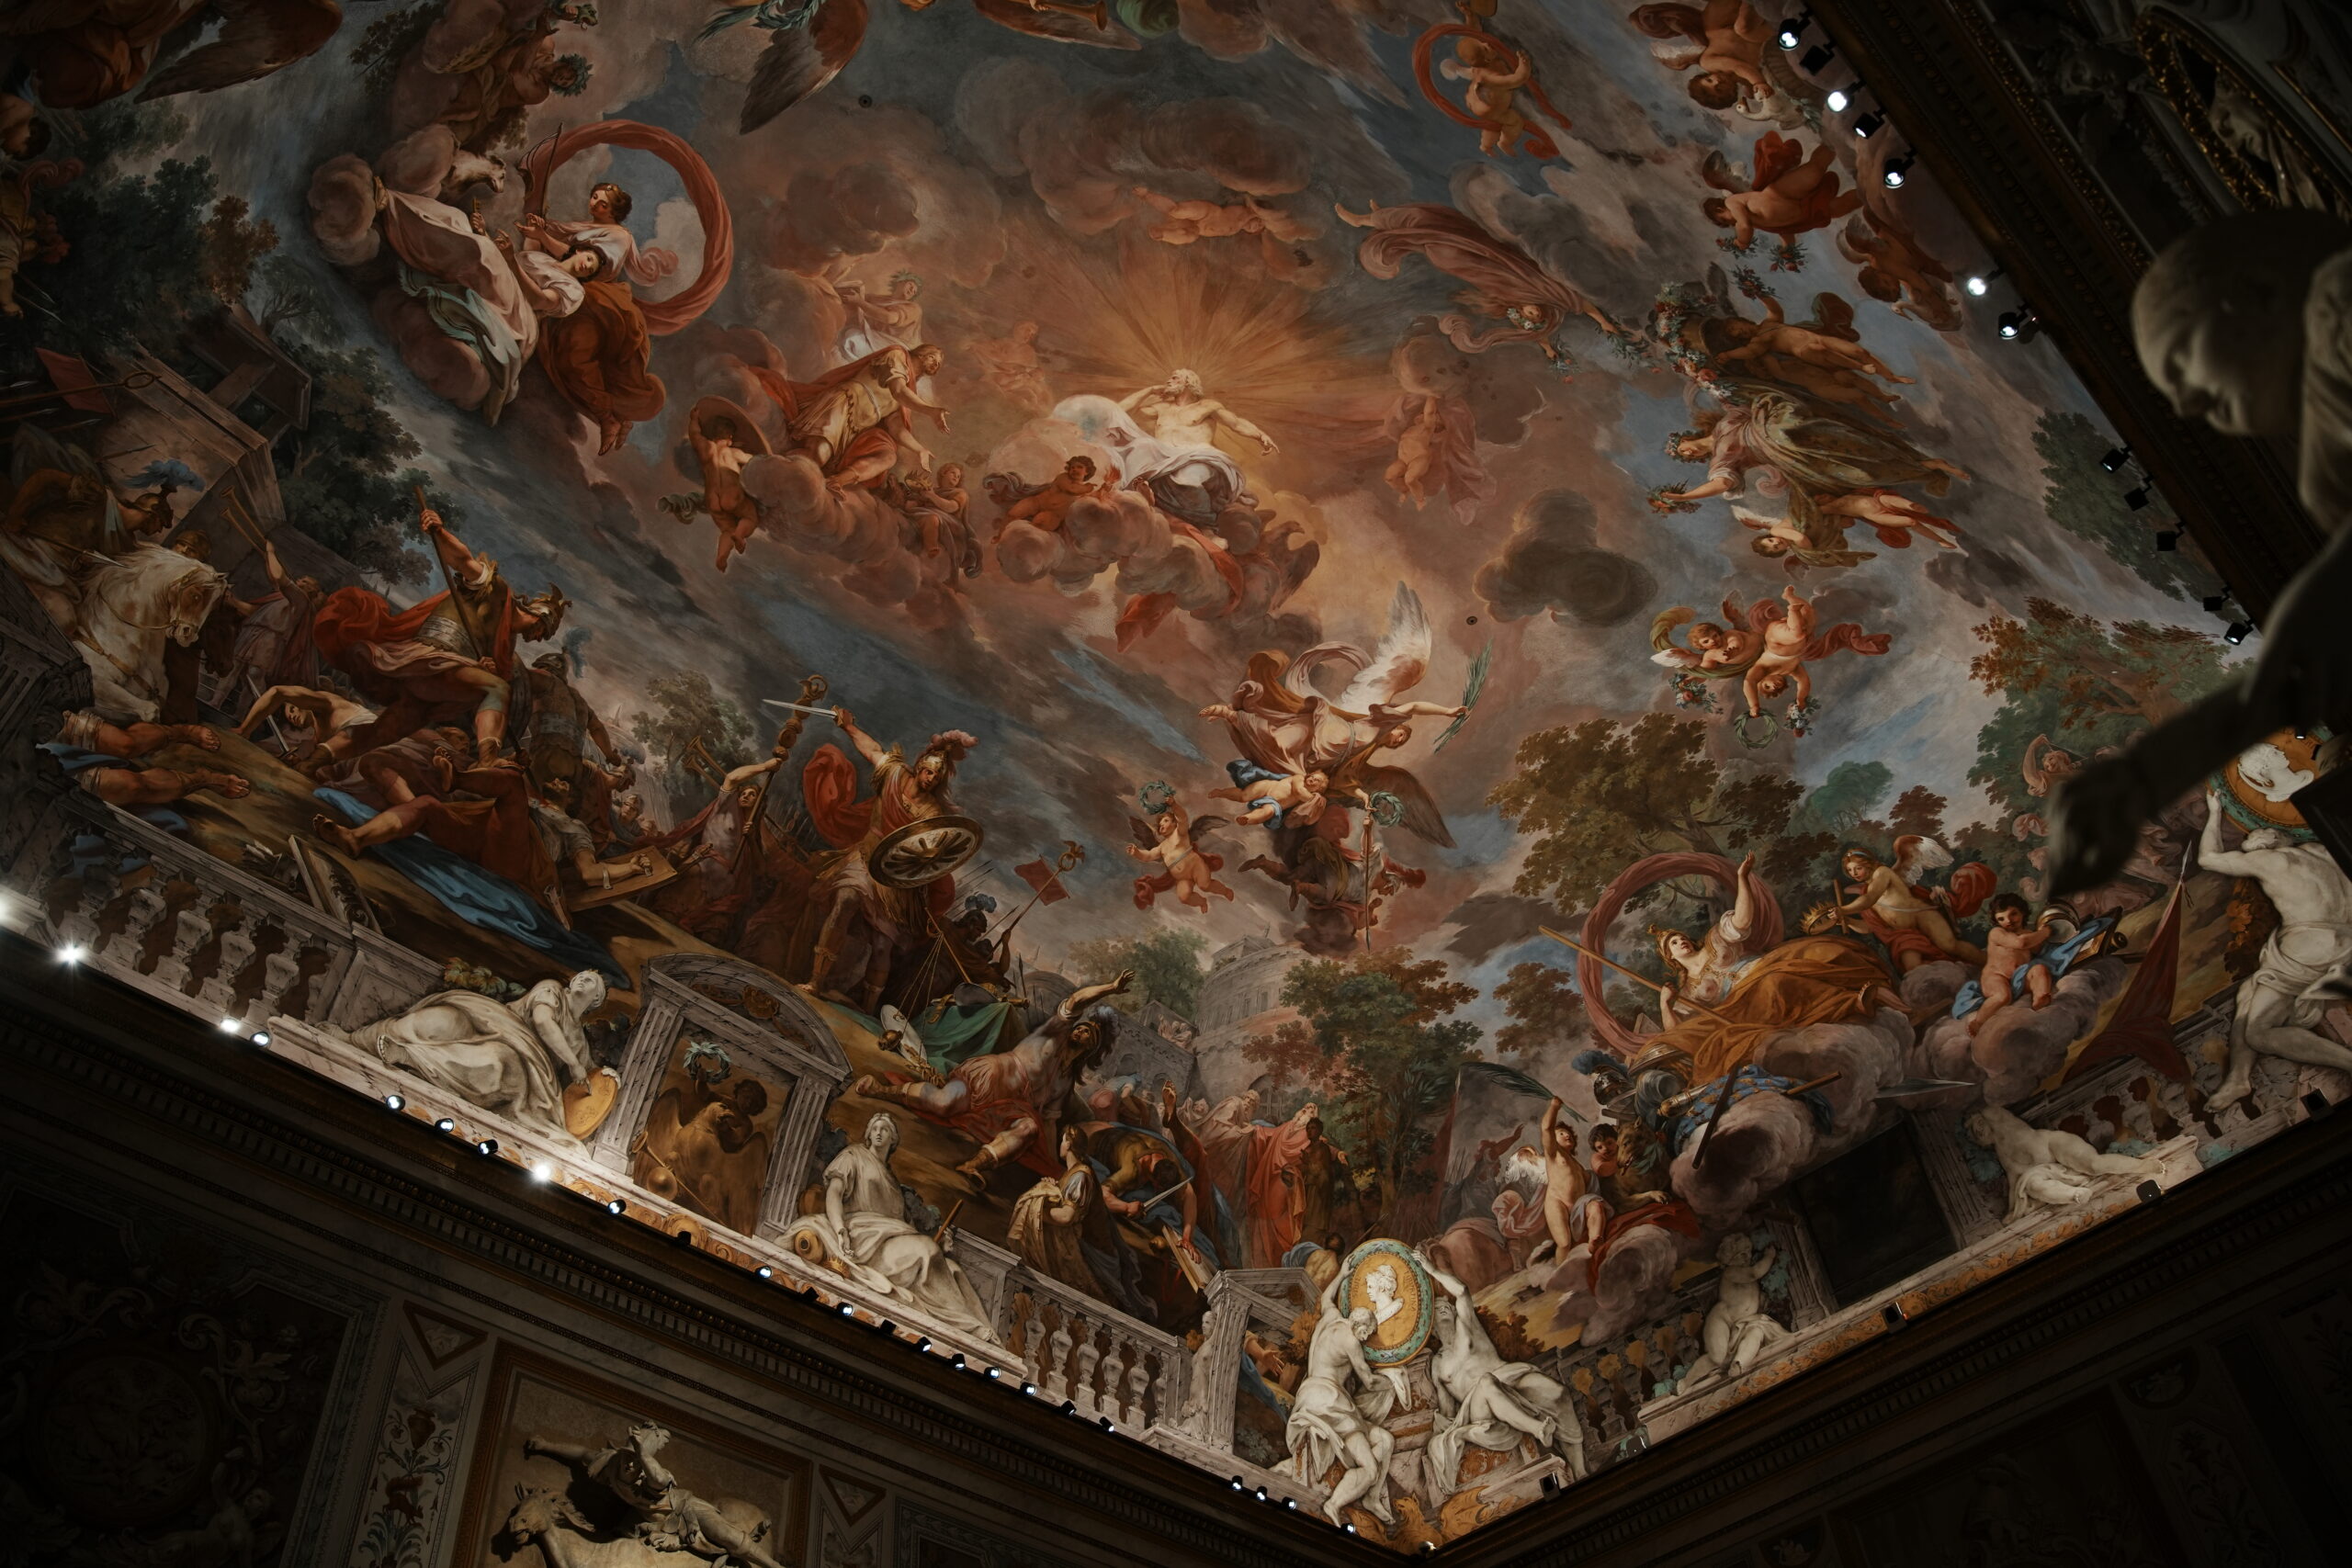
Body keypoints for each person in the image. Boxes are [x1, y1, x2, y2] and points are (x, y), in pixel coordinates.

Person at [311, 507, 565, 765]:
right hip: (434, 657)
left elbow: (485, 669)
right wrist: (440, 532)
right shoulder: (497, 593)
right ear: (540, 617)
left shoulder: (506, 643)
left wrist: (484, 666)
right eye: (544, 631)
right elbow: (463, 561)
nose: (539, 638)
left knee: (379, 734)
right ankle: (487, 762)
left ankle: (313, 759)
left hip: (435, 686)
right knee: (498, 688)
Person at [858, 972, 1130, 1183]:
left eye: (1088, 1033)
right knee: (944, 1103)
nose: (1081, 1031)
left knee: (1029, 1128)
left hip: (1010, 1109)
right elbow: (1076, 1000)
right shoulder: (1053, 1034)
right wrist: (1110, 988)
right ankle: (881, 1091)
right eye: (1081, 1027)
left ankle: (974, 1165)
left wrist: (1049, 1161)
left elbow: (1048, 1121)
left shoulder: (1064, 1081)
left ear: (1091, 1048)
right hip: (988, 1079)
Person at [789, 712, 975, 1010]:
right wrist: (849, 726)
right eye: (929, 772)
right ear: (920, 767)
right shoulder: (894, 775)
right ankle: (816, 980)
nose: (931, 779)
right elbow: (872, 749)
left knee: (882, 943)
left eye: (936, 777)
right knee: (845, 900)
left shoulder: (932, 813)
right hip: (866, 856)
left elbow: (929, 854)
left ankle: (868, 1007)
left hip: (894, 878)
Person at [2192, 788, 2352, 1111]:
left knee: (2259, 1033)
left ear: (2272, 839)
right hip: (2344, 940)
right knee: (2248, 992)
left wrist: (2215, 812)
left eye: (2253, 836)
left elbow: (2208, 858)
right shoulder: (2325, 851)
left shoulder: (2271, 859)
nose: (2248, 839)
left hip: (2307, 947)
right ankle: (2238, 1077)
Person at [787, 1112, 998, 1343]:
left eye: (884, 1129)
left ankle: (982, 1334)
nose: (878, 1133)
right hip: (863, 1239)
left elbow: (904, 1231)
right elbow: (834, 1193)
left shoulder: (894, 1184)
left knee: (952, 1268)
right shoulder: (853, 1155)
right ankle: (966, 1328)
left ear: (893, 1139)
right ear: (868, 1135)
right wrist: (840, 1229)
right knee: (926, 1249)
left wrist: (943, 1248)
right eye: (874, 1128)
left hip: (887, 1240)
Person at [357, 970, 607, 1149]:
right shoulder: (552, 989)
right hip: (500, 1023)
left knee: (498, 1060)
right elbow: (543, 1021)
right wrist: (574, 1064)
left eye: (590, 981)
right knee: (445, 1021)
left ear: (596, 999)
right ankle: (361, 1038)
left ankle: (410, 1057)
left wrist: (608, 1079)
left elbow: (587, 1077)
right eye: (580, 976)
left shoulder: (578, 1040)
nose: (581, 979)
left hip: (525, 1060)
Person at [1423, 1264, 1586, 1492]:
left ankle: (1580, 1470)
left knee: (1558, 1393)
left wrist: (1430, 1269)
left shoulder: (1467, 1327)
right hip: (1477, 1406)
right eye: (1437, 1309)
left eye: (1445, 1307)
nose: (1443, 1309)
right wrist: (1446, 1425)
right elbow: (1448, 1408)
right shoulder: (1437, 1364)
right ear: (1430, 1328)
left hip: (1509, 1377)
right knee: (1486, 1383)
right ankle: (1538, 1429)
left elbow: (1461, 1291)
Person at [1285, 1269, 1408, 1526]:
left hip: (1310, 1395)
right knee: (1370, 1469)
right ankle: (1334, 1504)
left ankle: (1371, 1498)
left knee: (1385, 1440)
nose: (1366, 1338)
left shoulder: (1331, 1318)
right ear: (1360, 1326)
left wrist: (1342, 1273)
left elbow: (1326, 1298)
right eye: (1367, 1333)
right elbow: (1369, 1381)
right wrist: (1392, 1380)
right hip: (1329, 1402)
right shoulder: (1351, 1341)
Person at [1969, 894, 2057, 1036]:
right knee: (2002, 996)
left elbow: (2039, 950)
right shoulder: (1997, 933)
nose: (2008, 921)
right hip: (1996, 976)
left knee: (2040, 969)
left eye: (2013, 914)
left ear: (2023, 912)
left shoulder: (2028, 934)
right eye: (2001, 919)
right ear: (1996, 921)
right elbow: (2021, 943)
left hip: (2020, 977)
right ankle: (1978, 1022)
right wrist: (2045, 932)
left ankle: (2040, 999)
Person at [1537, 1098, 1589, 1261]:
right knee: (1565, 1243)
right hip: (1557, 1202)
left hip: (1576, 1208)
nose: (1567, 1135)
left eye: (1569, 1134)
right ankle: (1560, 1275)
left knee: (1577, 1244)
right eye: (1561, 1133)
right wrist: (1554, 1106)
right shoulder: (1554, 1154)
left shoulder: (1577, 1164)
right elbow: (1546, 1128)